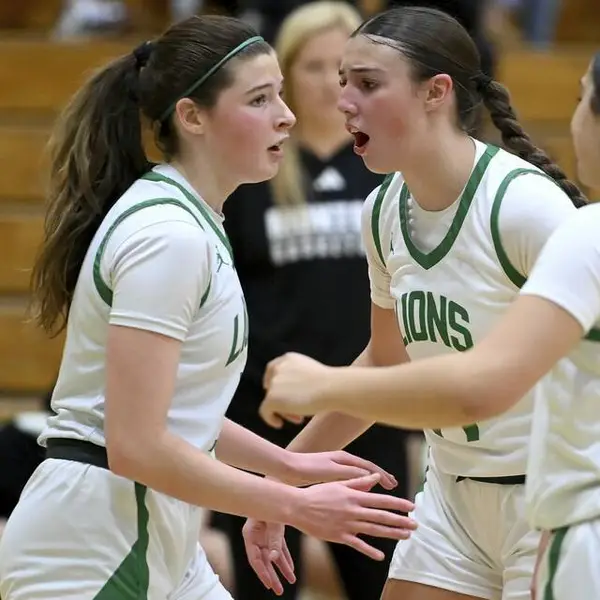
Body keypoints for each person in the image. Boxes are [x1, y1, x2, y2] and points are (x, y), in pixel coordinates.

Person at [0, 15, 417, 600]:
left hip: (155, 530)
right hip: (99, 540)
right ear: (192, 117)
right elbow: (137, 442)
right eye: (259, 99)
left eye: (279, 94)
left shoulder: (191, 220)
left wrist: (286, 466)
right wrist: (292, 503)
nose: (286, 115)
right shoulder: (168, 236)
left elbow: (181, 409)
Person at [244, 6, 589, 600]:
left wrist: (320, 384)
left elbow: (486, 386)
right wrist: (280, 482)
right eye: (343, 82)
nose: (343, 101)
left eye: (368, 84)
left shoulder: (523, 208)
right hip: (452, 495)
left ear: (436, 92)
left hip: (549, 496)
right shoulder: (382, 211)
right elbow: (386, 361)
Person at [209, 3, 419, 599]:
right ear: (286, 76)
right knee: (266, 581)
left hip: (365, 406)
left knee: (380, 578)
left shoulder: (387, 169)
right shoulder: (255, 169)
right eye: (314, 67)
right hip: (263, 410)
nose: (331, 84)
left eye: (344, 71)